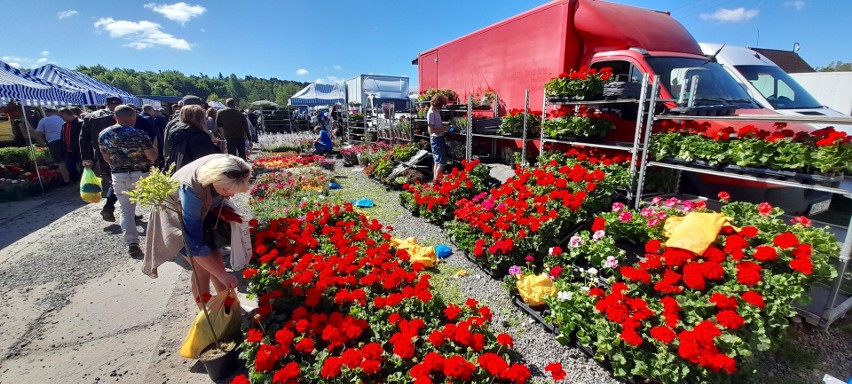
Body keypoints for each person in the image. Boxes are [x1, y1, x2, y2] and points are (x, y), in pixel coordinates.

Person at [143, 154, 249, 304]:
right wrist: (222, 275)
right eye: (226, 190)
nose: (231, 195)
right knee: (202, 270)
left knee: (216, 261)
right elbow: (193, 241)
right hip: (177, 218)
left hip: (203, 213)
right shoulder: (192, 190)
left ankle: (231, 307)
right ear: (214, 180)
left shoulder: (233, 165)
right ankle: (207, 315)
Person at [98, 105, 157, 259]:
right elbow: (151, 156)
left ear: (115, 117)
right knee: (155, 206)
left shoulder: (104, 135)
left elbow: (106, 157)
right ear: (131, 117)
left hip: (119, 176)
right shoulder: (139, 134)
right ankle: (159, 239)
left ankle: (132, 243)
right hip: (141, 175)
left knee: (126, 210)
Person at [81, 96, 124, 222]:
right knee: (122, 182)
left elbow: (83, 139)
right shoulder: (119, 115)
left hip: (101, 154)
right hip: (121, 153)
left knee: (115, 181)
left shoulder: (90, 117)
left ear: (105, 103)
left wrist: (86, 157)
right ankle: (112, 207)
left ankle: (115, 208)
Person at [165, 105, 222, 170]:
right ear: (199, 119)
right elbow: (210, 160)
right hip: (194, 174)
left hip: (179, 172)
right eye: (204, 118)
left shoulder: (176, 133)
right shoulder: (199, 137)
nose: (206, 120)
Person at [35, 108, 70, 182]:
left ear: (47, 113)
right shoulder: (61, 119)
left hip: (53, 142)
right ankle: (78, 177)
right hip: (65, 140)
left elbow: (38, 133)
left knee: (61, 162)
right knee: (71, 158)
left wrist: (47, 133)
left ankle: (67, 180)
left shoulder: (43, 120)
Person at [427, 94, 449, 183]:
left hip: (437, 139)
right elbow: (431, 129)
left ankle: (435, 180)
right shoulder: (431, 112)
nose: (442, 106)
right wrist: (444, 128)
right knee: (441, 162)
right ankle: (436, 182)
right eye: (441, 104)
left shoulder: (435, 111)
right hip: (436, 139)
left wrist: (445, 123)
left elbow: (436, 124)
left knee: (437, 161)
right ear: (438, 103)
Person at [58, 107, 83, 183]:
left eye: (61, 115)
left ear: (66, 114)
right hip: (68, 151)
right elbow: (63, 137)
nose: (60, 117)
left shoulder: (80, 123)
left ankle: (84, 183)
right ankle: (78, 181)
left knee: (83, 167)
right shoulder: (64, 125)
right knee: (70, 167)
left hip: (79, 149)